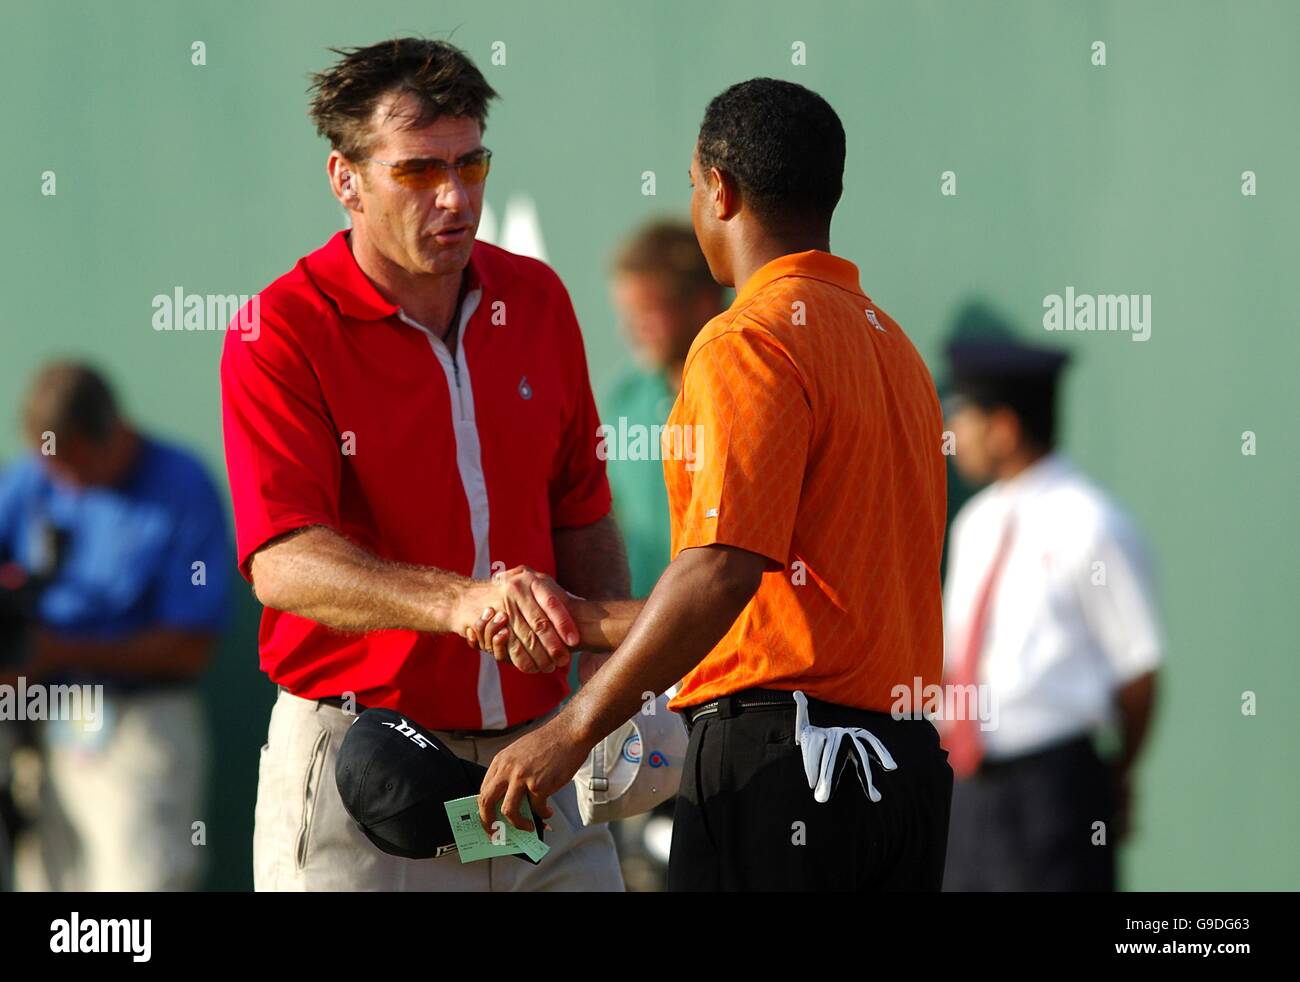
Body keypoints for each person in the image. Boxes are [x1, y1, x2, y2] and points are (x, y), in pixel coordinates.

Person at [473, 78, 954, 891]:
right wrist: (589, 621)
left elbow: (722, 570)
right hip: (901, 772)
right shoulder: (893, 346)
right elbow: (792, 598)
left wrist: (573, 729)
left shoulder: (746, 339)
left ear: (719, 190)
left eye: (693, 184)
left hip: (787, 769)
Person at [220, 37, 628, 891]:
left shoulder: (540, 300)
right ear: (346, 180)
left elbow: (581, 513)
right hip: (365, 765)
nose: (454, 196)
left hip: (537, 759)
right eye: (416, 171)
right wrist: (459, 602)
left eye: (470, 163)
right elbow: (283, 561)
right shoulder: (280, 329)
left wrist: (612, 697)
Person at [938, 336, 1163, 891]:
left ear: (1005, 427)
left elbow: (1139, 674)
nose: (954, 435)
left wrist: (1114, 774)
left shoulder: (1089, 522)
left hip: (1053, 793)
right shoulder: (975, 524)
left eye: (964, 417)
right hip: (969, 795)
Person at [0, 361, 228, 890]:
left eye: (77, 469)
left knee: (138, 887)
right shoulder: (34, 478)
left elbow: (190, 647)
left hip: (138, 724)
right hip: (45, 724)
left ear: (113, 432)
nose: (67, 486)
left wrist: (58, 651)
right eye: (53, 468)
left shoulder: (181, 484)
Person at [604, 220, 724, 597]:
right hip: (637, 633)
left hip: (730, 643)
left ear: (703, 303)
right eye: (628, 314)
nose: (634, 330)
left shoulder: (743, 392)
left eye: (649, 313)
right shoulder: (623, 399)